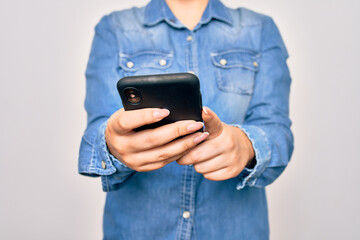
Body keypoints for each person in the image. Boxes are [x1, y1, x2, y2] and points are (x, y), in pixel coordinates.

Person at [78, 0, 294, 239]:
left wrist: (246, 145)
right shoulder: (114, 28)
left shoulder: (260, 29)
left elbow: (278, 130)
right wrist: (111, 142)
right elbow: (95, 134)